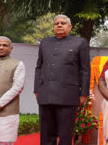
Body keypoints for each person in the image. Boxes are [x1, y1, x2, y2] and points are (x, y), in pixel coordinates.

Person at [34, 14, 91, 145]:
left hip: (68, 96)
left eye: (63, 23)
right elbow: (38, 67)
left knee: (65, 135)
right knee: (46, 135)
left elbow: (85, 69)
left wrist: (84, 93)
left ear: (70, 27)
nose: (59, 25)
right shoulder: (45, 42)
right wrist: (37, 89)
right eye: (56, 23)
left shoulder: (80, 42)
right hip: (45, 94)